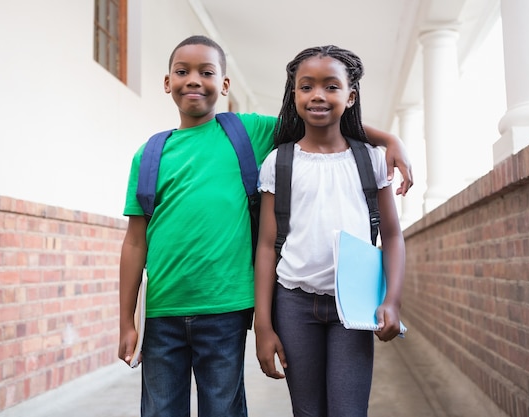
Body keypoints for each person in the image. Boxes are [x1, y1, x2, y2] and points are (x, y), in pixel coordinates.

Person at [118, 35, 411, 417]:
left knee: (223, 407)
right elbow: (135, 243)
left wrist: (390, 138)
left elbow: (320, 115)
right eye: (182, 71)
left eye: (206, 72)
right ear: (166, 81)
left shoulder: (248, 132)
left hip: (227, 307)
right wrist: (126, 319)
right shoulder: (150, 153)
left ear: (224, 85)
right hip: (162, 310)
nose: (193, 80)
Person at [253, 45, 406, 417]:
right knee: (307, 412)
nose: (318, 95)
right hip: (294, 304)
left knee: (348, 410)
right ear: (294, 94)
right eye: (306, 86)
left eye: (331, 86)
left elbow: (393, 235)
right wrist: (262, 324)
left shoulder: (370, 159)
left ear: (351, 97)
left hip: (353, 304)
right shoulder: (280, 161)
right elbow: (266, 247)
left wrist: (392, 300)